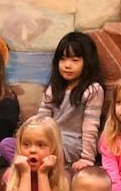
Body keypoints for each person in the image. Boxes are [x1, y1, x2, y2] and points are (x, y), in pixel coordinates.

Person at [35, 30, 106, 170]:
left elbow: (90, 127)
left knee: (44, 153)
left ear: (87, 63)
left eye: (74, 60)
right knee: (10, 144)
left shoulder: (93, 90)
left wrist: (87, 158)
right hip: (49, 139)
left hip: (73, 144)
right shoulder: (53, 88)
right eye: (63, 59)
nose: (67, 65)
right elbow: (41, 120)